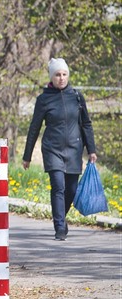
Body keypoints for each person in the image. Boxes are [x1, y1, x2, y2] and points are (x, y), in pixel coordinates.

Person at [22, 58, 97, 241]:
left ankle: (60, 217)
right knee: (58, 186)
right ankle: (60, 227)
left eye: (64, 74)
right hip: (52, 149)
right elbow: (34, 128)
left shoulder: (77, 97)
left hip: (74, 149)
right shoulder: (43, 99)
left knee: (71, 189)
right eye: (57, 75)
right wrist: (27, 156)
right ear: (51, 77)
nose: (61, 78)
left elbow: (86, 124)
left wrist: (91, 149)